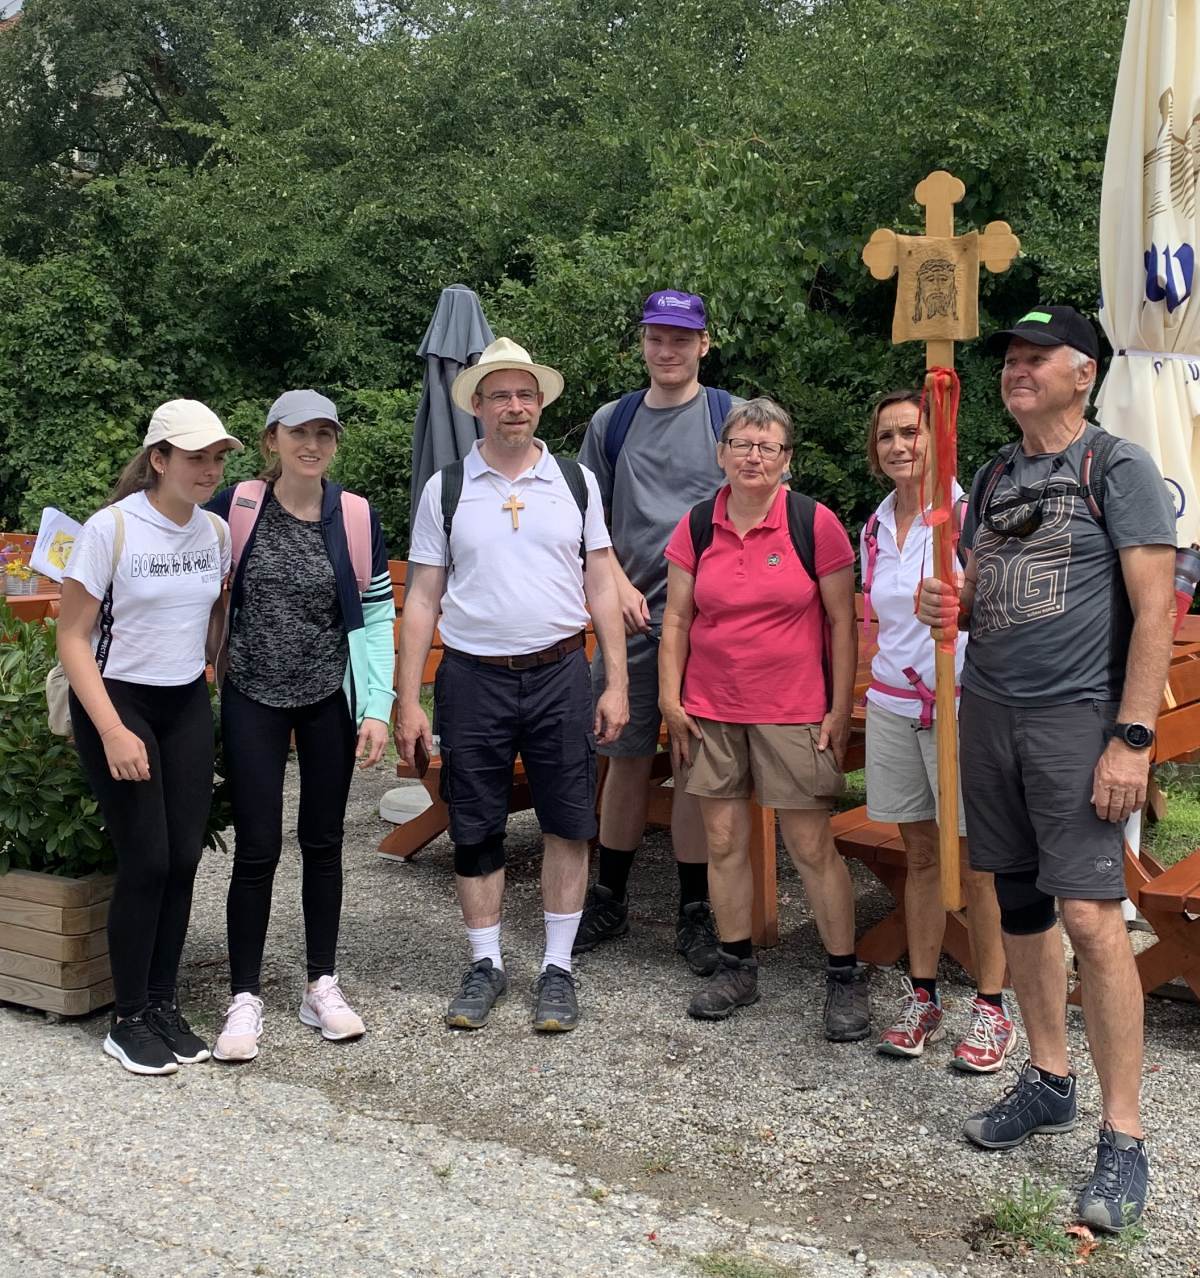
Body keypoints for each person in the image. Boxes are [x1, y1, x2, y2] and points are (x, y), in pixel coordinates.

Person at [917, 306, 1176, 1232]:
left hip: (1076, 722)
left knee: (1092, 918)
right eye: (1011, 360)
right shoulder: (992, 476)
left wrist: (1132, 738)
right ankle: (1049, 1076)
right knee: (1020, 903)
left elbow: (1156, 610)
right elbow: (977, 593)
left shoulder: (1117, 468)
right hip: (989, 715)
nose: (1017, 371)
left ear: (1084, 372)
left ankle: (1124, 1134)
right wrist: (948, 601)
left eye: (1037, 358)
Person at [395, 338, 629, 1033]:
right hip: (472, 678)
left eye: (526, 394)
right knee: (475, 824)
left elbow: (601, 583)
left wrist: (616, 682)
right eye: (500, 395)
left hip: (560, 673)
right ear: (477, 405)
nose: (515, 407)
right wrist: (407, 700)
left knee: (568, 821)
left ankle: (557, 968)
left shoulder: (574, 481)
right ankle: (486, 963)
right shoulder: (447, 488)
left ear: (540, 404)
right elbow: (422, 598)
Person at [658, 397, 870, 1038]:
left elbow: (842, 622)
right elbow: (677, 618)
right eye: (742, 445)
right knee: (723, 843)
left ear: (787, 459)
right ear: (721, 454)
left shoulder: (813, 523)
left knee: (810, 846)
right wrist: (670, 700)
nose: (754, 457)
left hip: (793, 710)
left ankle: (843, 976)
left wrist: (839, 707)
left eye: (768, 446)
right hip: (711, 709)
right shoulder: (697, 525)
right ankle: (736, 966)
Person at [203, 390, 394, 1063]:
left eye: (324, 434)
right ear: (272, 440)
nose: (312, 445)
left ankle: (321, 984)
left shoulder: (355, 516)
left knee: (323, 841)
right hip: (251, 692)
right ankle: (244, 996)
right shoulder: (235, 508)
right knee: (257, 848)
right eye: (298, 433)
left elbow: (377, 614)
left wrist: (377, 706)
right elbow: (189, 575)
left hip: (326, 697)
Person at [57, 400, 241, 1075]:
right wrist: (111, 729)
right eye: (196, 458)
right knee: (147, 862)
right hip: (118, 700)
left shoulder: (216, 531)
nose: (210, 470)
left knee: (185, 859)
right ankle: (127, 1017)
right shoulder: (111, 529)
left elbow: (214, 615)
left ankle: (163, 1004)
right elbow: (72, 637)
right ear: (159, 459)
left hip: (184, 701)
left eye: (217, 458)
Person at [575, 290, 739, 974]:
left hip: (712, 623)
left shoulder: (729, 417)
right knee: (624, 756)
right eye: (656, 337)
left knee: (695, 761)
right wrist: (615, 586)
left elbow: (759, 504)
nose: (667, 350)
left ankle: (695, 908)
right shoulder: (612, 422)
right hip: (632, 617)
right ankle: (608, 896)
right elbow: (587, 521)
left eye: (681, 338)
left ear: (704, 344)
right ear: (642, 343)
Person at [862, 390, 1016, 1070]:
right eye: (887, 436)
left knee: (978, 863)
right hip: (893, 705)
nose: (900, 445)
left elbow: (996, 611)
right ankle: (922, 994)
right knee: (920, 856)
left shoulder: (968, 515)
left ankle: (991, 1005)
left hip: (960, 707)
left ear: (938, 440)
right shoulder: (874, 526)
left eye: (912, 432)